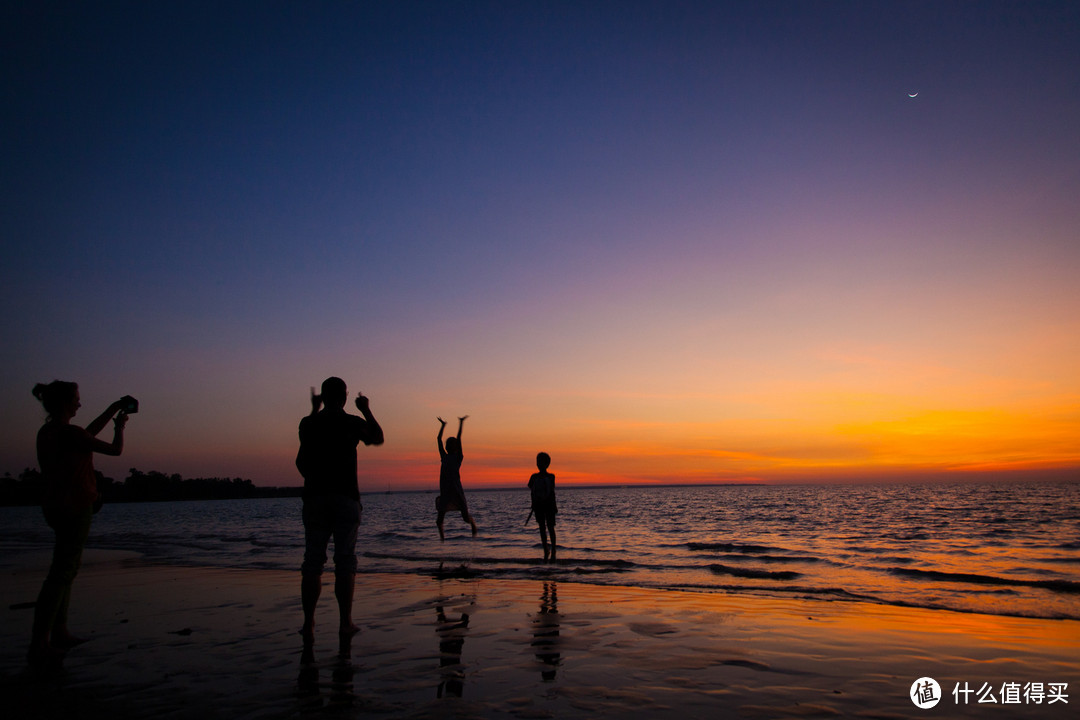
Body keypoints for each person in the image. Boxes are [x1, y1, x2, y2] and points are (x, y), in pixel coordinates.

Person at [29, 381, 132, 665]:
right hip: (75, 508)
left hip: (55, 507)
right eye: (75, 399)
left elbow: (86, 434)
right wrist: (119, 428)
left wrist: (113, 408)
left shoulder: (49, 432)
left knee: (66, 569)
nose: (79, 404)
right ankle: (40, 642)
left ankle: (59, 631)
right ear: (64, 403)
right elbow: (114, 450)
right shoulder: (68, 433)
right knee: (62, 572)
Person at [295, 377, 383, 642]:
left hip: (315, 499)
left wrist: (314, 409)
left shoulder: (308, 423)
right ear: (344, 397)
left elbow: (301, 458)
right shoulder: (351, 422)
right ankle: (345, 622)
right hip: (345, 498)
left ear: (322, 397)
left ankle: (309, 624)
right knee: (344, 561)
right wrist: (366, 408)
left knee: (313, 562)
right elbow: (377, 437)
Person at [435, 416, 477, 539]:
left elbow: (459, 438)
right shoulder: (444, 456)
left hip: (456, 490)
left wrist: (461, 423)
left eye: (450, 445)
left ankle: (473, 524)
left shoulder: (458, 457)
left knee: (465, 517)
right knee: (439, 519)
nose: (448, 446)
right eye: (448, 444)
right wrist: (442, 425)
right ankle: (442, 537)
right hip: (446, 491)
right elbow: (438, 439)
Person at [528, 452, 557, 561]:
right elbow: (531, 489)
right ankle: (546, 549)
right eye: (538, 462)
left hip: (549, 505)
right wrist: (534, 503)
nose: (539, 464)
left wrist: (554, 506)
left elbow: (551, 492)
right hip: (538, 506)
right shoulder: (534, 477)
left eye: (541, 462)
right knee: (542, 528)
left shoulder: (551, 476)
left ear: (546, 464)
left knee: (550, 527)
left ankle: (553, 550)